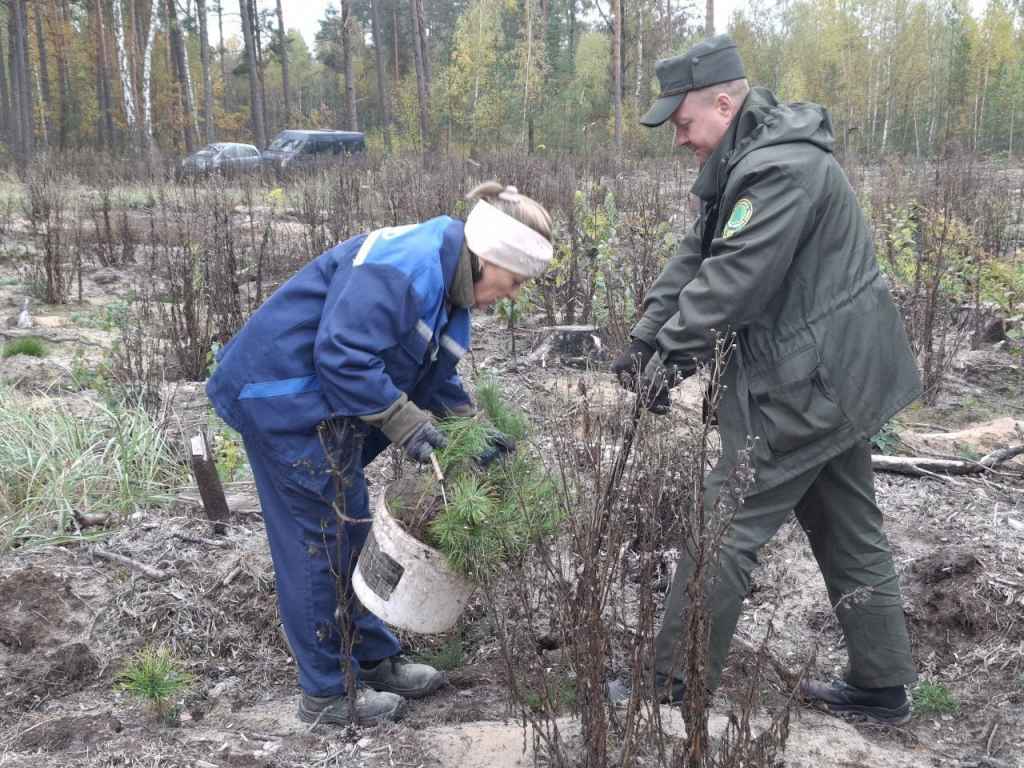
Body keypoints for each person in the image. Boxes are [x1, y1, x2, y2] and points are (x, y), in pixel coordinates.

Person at [609, 35, 921, 724]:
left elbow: (733, 280)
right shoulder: (747, 163)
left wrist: (675, 355)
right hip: (829, 377)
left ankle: (672, 686)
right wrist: (645, 337)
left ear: (723, 104)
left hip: (810, 385)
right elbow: (697, 253)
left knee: (721, 527)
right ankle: (883, 682)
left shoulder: (779, 170)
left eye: (683, 123)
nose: (679, 139)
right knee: (847, 524)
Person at [207, 182, 553, 726]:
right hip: (281, 400)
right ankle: (325, 694)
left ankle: (373, 657)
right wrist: (402, 421)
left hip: (323, 409)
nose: (512, 296)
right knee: (317, 542)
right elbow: (341, 354)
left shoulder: (449, 285)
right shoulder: (406, 265)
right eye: (513, 283)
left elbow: (433, 373)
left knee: (351, 527)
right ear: (489, 259)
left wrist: (470, 430)